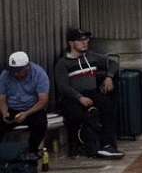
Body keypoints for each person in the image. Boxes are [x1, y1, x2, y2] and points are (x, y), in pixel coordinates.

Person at [54, 29, 124, 159]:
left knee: (109, 107)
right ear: (71, 43)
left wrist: (109, 77)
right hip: (72, 96)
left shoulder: (91, 57)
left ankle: (107, 144)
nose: (85, 42)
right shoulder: (63, 63)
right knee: (74, 113)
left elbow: (113, 63)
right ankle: (74, 144)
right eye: (81, 40)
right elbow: (63, 87)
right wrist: (79, 97)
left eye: (86, 39)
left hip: (91, 92)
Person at [0, 52, 50, 155]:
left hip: (32, 109)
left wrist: (26, 113)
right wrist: (4, 112)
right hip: (11, 108)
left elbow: (43, 100)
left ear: (27, 67)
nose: (15, 74)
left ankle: (32, 152)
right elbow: (2, 99)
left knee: (40, 124)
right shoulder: (5, 75)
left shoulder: (39, 74)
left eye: (18, 71)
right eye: (13, 71)